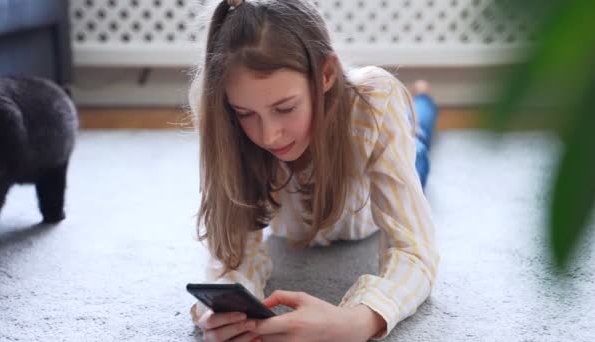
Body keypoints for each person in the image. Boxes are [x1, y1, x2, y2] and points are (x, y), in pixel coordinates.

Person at [187, 0, 440, 341]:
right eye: (246, 113)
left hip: (377, 178)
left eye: (285, 107)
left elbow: (416, 252)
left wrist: (359, 320)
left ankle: (423, 98)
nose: (268, 135)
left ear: (326, 75)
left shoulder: (374, 107)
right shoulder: (225, 125)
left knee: (419, 142)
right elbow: (233, 256)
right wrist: (223, 308)